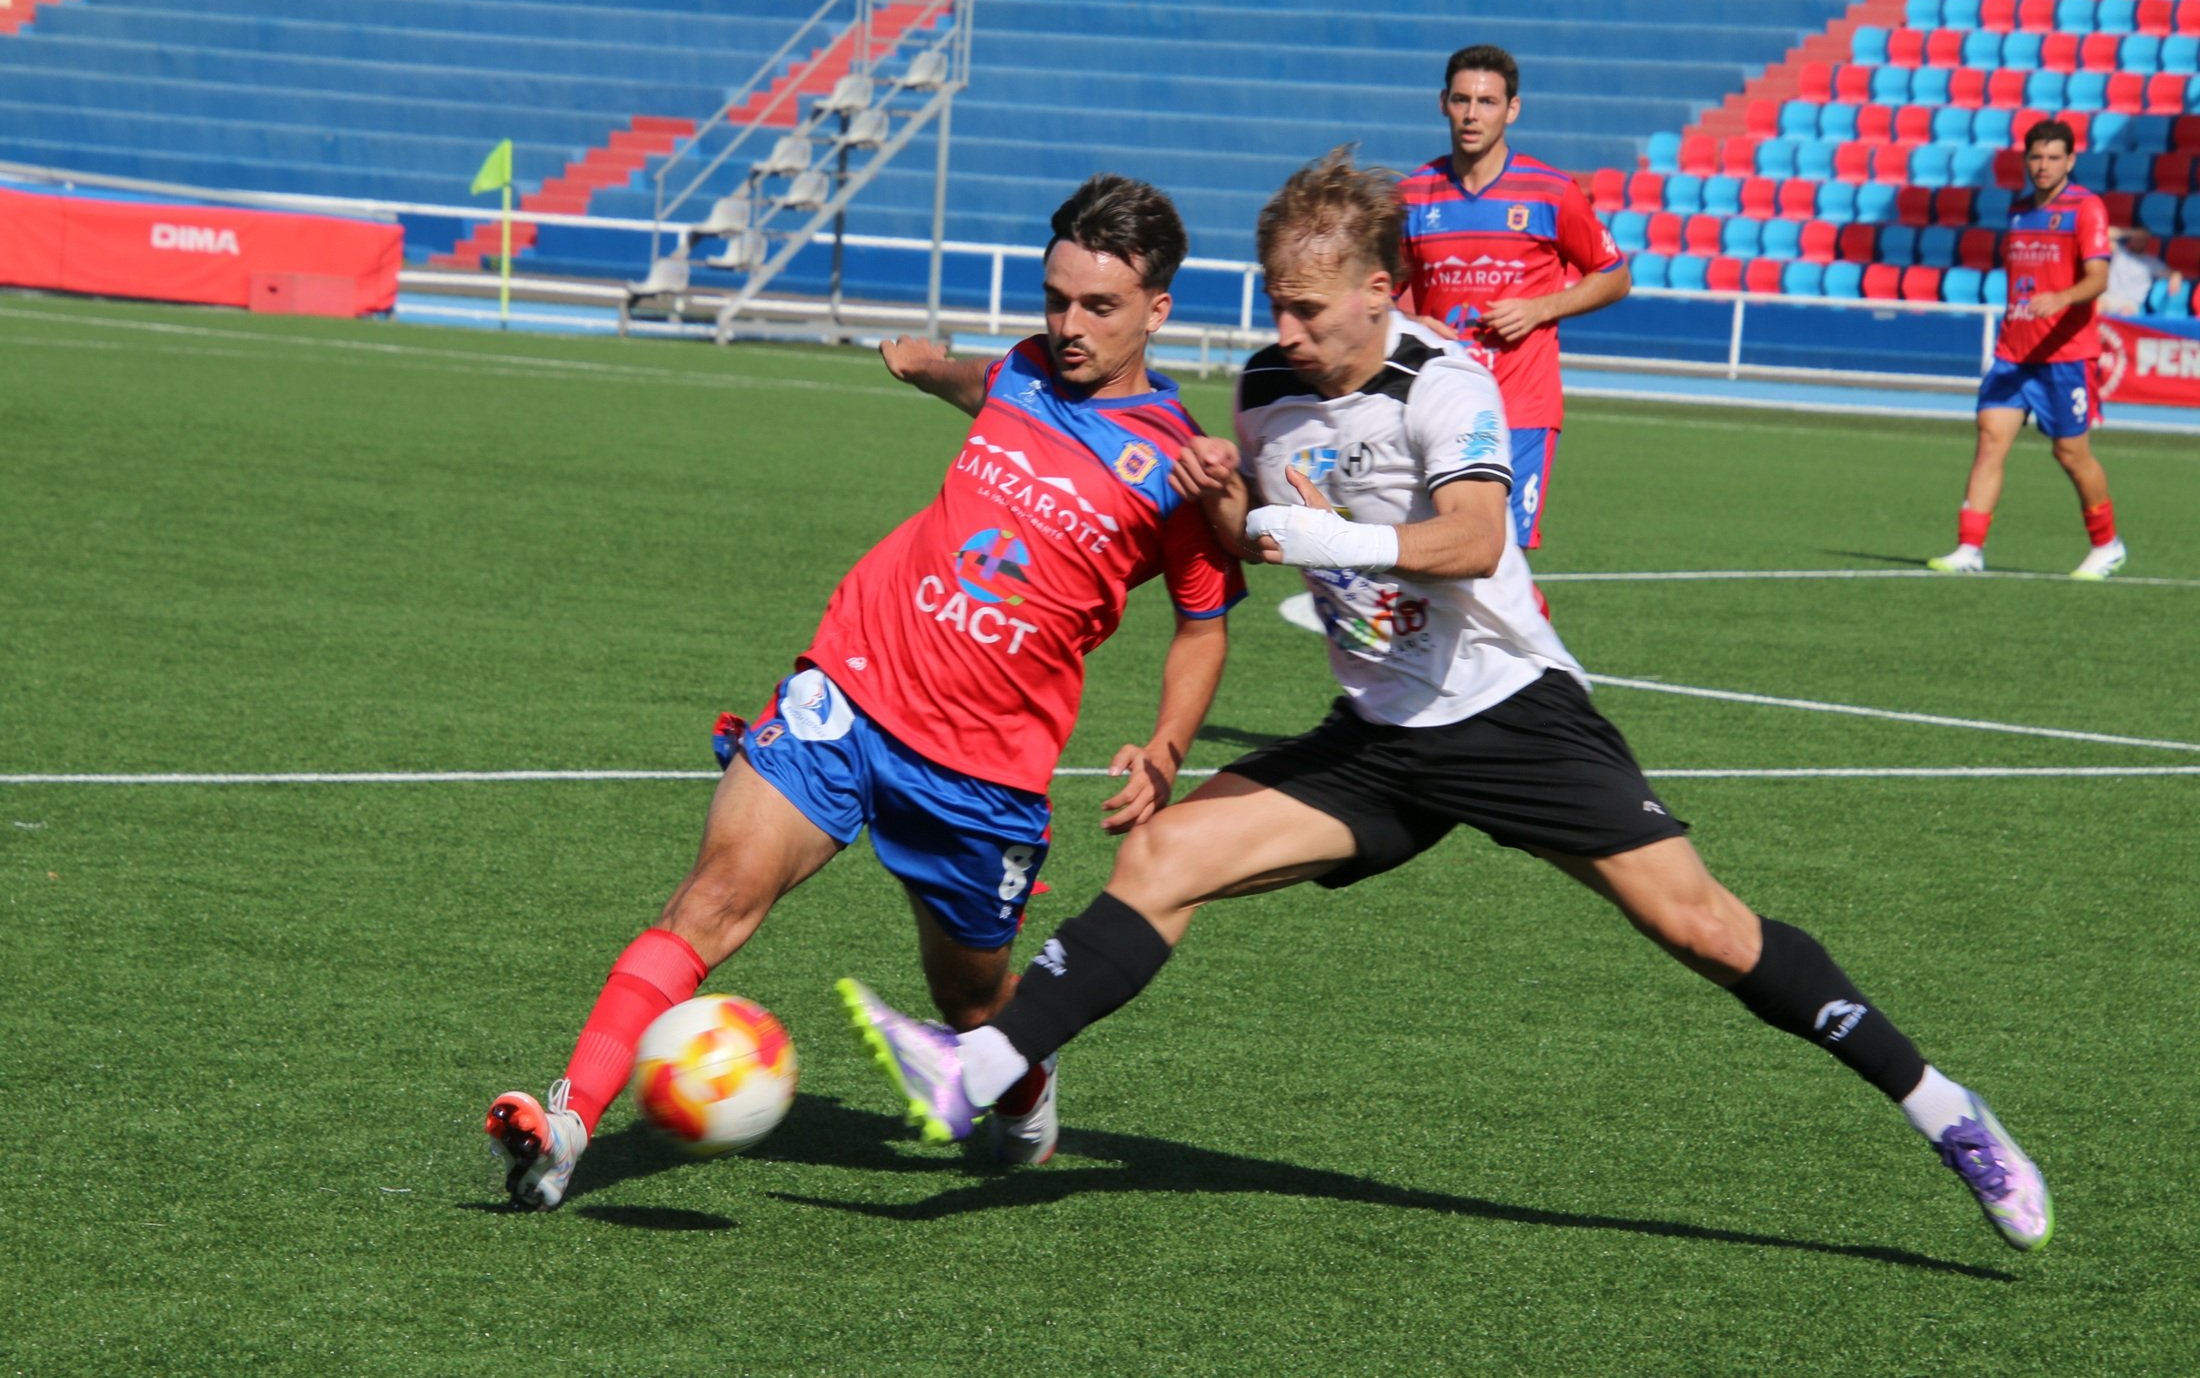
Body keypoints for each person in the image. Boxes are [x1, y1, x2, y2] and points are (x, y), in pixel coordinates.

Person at [840, 150, 2052, 1255]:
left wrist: (1294, 523)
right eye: (1274, 302)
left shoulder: (1448, 382)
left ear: (1378, 290)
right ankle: (983, 1064)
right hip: (1374, 741)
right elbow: (1239, 541)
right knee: (1161, 859)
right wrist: (1216, 488)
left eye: (1309, 308)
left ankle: (1945, 1107)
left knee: (1707, 931)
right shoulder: (1267, 387)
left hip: (1510, 716)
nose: (1286, 329)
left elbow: (1471, 540)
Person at [486, 174, 1246, 1207]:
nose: (1067, 327)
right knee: (713, 896)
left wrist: (1165, 744)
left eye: (1098, 307)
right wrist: (928, 366)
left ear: (1157, 309)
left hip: (982, 769)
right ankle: (567, 1122)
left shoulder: (1176, 467)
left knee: (972, 998)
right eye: (1054, 297)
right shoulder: (1027, 367)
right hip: (851, 684)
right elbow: (995, 387)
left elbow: (1204, 624)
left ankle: (1022, 1077)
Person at [1395, 44, 1630, 553]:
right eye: (1462, 100)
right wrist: (1412, 326)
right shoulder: (1413, 195)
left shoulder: (1550, 191)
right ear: (1443, 103)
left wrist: (1540, 308)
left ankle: (1527, 635)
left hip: (1523, 407)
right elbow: (1379, 298)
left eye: (1487, 102)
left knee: (1503, 564)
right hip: (1441, 406)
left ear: (1512, 109)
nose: (1472, 114)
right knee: (1438, 558)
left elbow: (1614, 275)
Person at [1928, 119, 2127, 581]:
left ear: (2070, 161)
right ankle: (1969, 548)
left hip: (2066, 355)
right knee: (1990, 440)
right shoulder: (2019, 211)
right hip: (2014, 352)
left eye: (2054, 157)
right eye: (2036, 157)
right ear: (2025, 161)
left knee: (2070, 454)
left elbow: (2098, 278)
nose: (2043, 166)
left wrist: (2062, 297)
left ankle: (2107, 543)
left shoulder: (2087, 208)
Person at [2100, 224, 2181, 316]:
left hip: (2130, 303)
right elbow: (2103, 234)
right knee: (2097, 307)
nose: (2139, 241)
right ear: (2131, 239)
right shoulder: (2119, 253)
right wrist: (2131, 233)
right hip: (2108, 297)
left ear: (2147, 242)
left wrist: (2176, 276)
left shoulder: (2152, 262)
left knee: (2126, 314)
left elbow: (2172, 273)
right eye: (2136, 238)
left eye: (2143, 239)